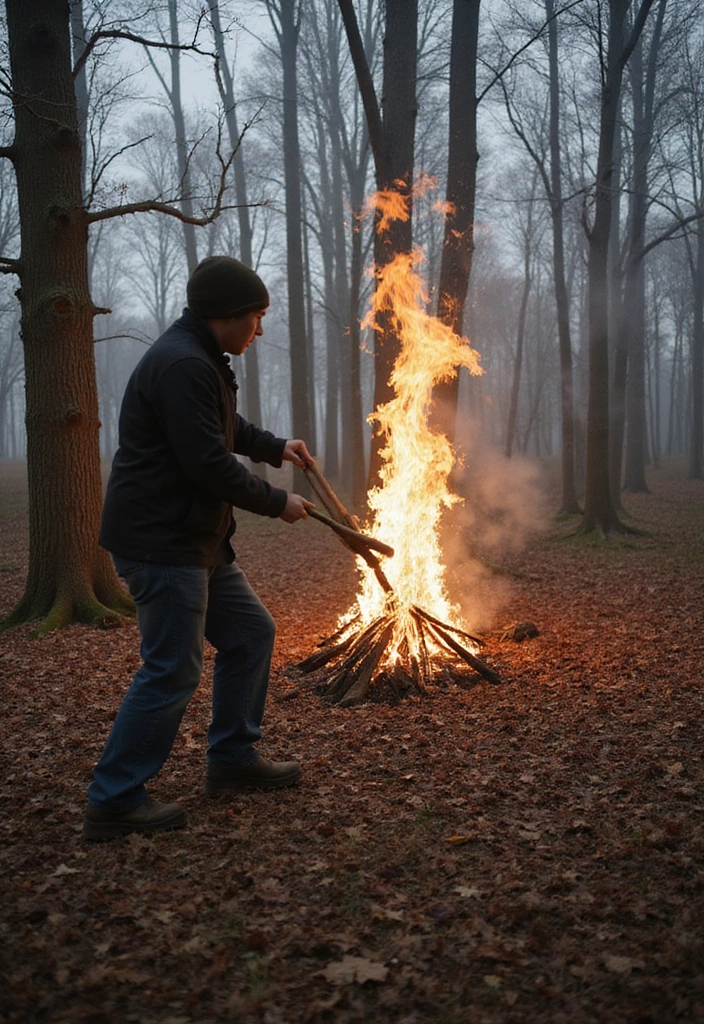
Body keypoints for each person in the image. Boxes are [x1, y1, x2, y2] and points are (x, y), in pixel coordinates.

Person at [83, 256, 315, 841]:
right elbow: (207, 462)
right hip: (162, 542)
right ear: (229, 315)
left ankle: (233, 760)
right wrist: (275, 501)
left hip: (196, 541)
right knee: (171, 670)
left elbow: (223, 427)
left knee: (250, 633)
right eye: (257, 318)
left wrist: (274, 446)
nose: (260, 330)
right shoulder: (183, 363)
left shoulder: (201, 358)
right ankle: (113, 800)